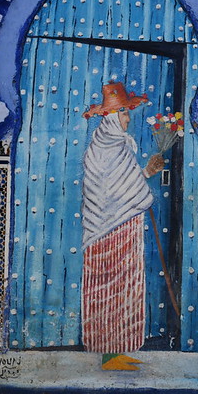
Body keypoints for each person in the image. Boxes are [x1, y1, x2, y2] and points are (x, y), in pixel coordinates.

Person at [80, 82, 164, 353]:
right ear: (114, 117)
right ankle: (105, 350)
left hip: (124, 228)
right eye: (125, 113)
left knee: (125, 289)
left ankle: (121, 349)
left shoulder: (114, 145)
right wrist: (140, 187)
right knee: (106, 290)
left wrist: (146, 175)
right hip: (106, 233)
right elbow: (110, 191)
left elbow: (122, 185)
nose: (128, 118)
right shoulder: (106, 148)